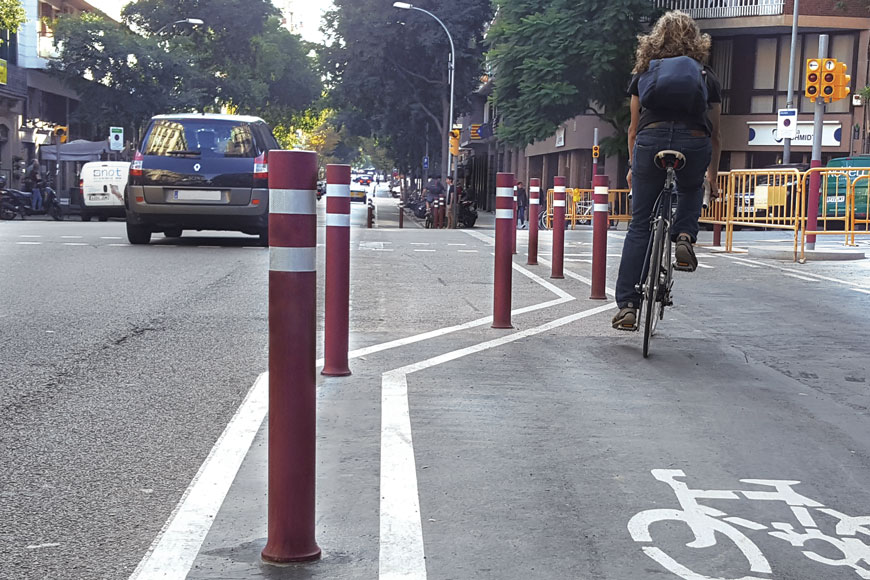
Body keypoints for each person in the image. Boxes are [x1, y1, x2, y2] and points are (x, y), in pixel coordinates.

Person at [612, 11, 722, 330]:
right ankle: (684, 235)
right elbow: (716, 133)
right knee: (690, 187)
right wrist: (711, 177)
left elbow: (633, 129)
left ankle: (629, 306)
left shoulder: (643, 72)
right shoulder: (706, 75)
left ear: (653, 40)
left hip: (651, 140)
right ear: (695, 41)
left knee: (640, 223)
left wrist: (635, 166)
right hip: (694, 140)